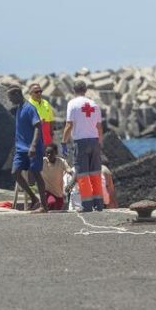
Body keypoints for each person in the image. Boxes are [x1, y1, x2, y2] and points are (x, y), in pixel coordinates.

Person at [62, 80, 103, 212]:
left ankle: (87, 205)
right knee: (96, 173)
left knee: (83, 174)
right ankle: (99, 204)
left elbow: (69, 125)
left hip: (81, 142)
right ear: (85, 90)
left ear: (74, 90)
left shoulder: (72, 104)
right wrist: (99, 142)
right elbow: (99, 126)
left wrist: (63, 141)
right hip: (94, 141)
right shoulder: (94, 104)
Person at [7, 86, 48, 212]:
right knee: (15, 172)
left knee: (36, 174)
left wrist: (34, 145)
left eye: (11, 98)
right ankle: (34, 198)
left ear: (17, 94)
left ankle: (44, 206)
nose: (10, 101)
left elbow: (37, 127)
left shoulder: (30, 108)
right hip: (21, 149)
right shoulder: (19, 108)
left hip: (32, 148)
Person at [41, 143, 71, 210]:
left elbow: (70, 171)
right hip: (47, 192)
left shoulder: (61, 162)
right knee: (51, 203)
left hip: (58, 194)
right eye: (47, 153)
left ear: (56, 153)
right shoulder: (43, 161)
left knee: (57, 209)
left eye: (51, 153)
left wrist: (71, 183)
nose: (49, 155)